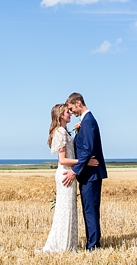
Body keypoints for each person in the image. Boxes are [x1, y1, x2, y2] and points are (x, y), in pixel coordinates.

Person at [42, 103, 99, 253]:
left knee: (68, 209)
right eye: (68, 112)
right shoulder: (60, 132)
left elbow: (72, 150)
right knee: (65, 210)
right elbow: (62, 160)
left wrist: (78, 130)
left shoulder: (64, 131)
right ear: (61, 115)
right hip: (66, 174)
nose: (70, 113)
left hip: (70, 173)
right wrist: (86, 162)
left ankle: (67, 244)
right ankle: (62, 246)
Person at [62, 92, 107, 251]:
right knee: (90, 209)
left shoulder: (88, 122)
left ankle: (93, 246)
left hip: (91, 175)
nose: (71, 112)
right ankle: (93, 243)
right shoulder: (86, 122)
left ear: (78, 103)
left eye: (71, 108)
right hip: (89, 173)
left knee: (90, 210)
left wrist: (74, 172)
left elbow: (87, 150)